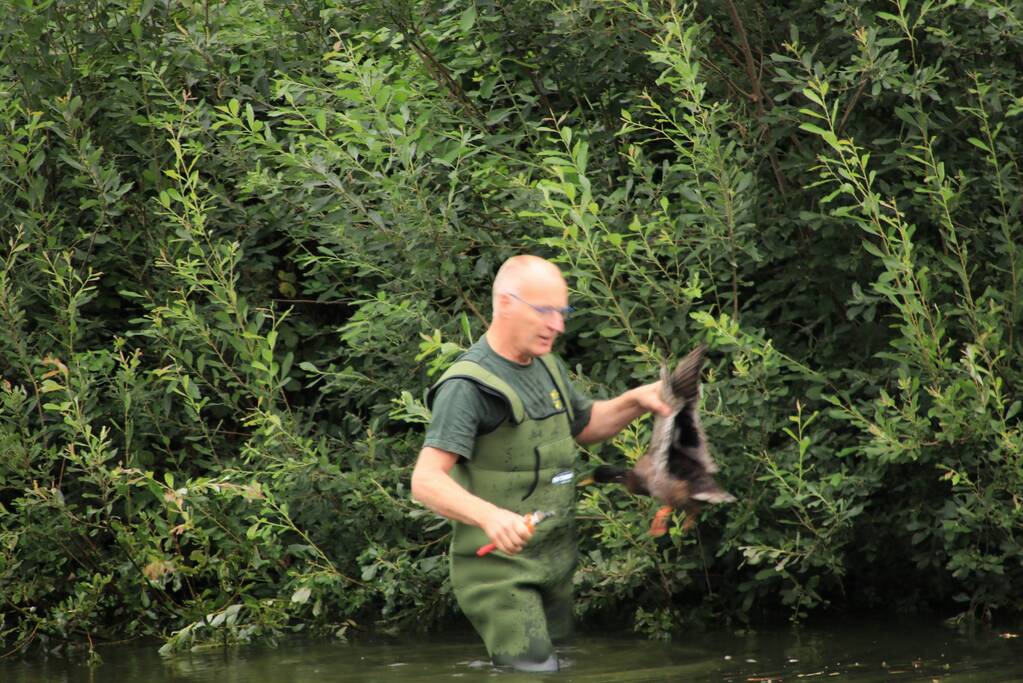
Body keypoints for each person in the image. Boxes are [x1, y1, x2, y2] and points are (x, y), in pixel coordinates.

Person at [410, 255, 671, 672]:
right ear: (505, 304)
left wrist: (637, 400)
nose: (558, 325)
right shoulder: (467, 386)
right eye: (545, 311)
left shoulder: (546, 364)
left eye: (562, 312)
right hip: (500, 574)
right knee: (531, 671)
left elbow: (584, 425)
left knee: (558, 669)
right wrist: (491, 516)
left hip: (553, 562)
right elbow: (425, 481)